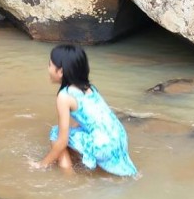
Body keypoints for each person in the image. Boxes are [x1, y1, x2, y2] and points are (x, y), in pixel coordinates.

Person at [32, 44, 138, 177]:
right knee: (73, 131)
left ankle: (69, 177)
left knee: (56, 133)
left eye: (50, 65)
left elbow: (62, 140)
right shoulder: (90, 88)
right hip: (119, 138)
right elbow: (85, 120)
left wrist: (42, 164)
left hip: (103, 145)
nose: (48, 69)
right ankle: (83, 160)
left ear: (61, 72)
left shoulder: (64, 96)